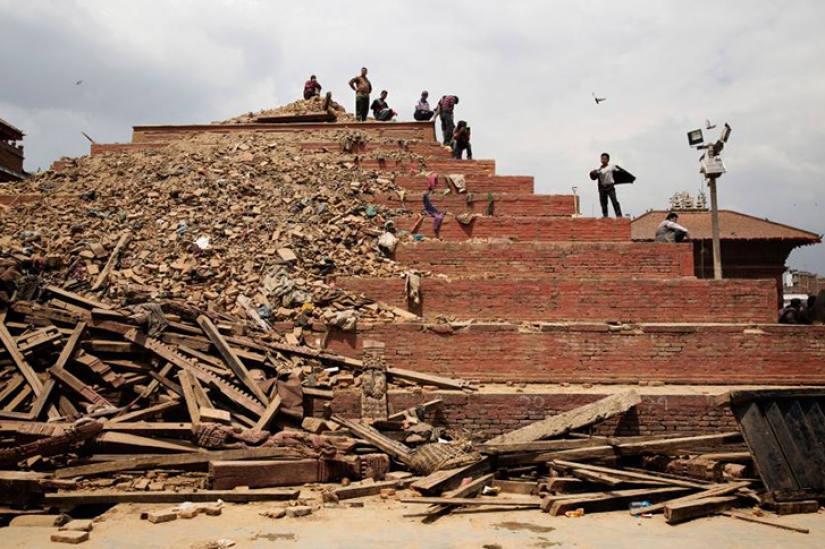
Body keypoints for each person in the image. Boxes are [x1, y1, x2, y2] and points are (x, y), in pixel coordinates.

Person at [589, 153, 623, 218]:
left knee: (614, 201)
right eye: (602, 159)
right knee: (603, 202)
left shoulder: (611, 166)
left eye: (605, 159)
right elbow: (594, 177)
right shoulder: (598, 169)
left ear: (608, 160)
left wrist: (619, 171)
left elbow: (608, 170)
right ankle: (605, 216)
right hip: (602, 187)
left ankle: (619, 216)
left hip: (610, 186)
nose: (603, 160)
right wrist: (593, 173)